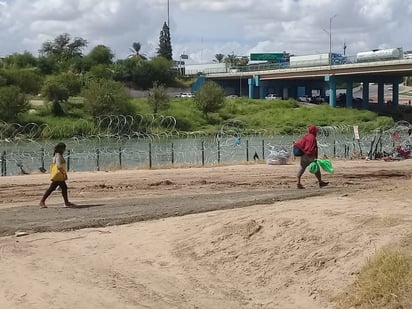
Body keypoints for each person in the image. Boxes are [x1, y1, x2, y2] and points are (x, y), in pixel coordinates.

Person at [39, 142, 74, 208]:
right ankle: (42, 201)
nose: (64, 150)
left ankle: (66, 202)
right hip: (59, 174)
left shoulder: (56, 155)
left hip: (59, 175)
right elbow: (59, 166)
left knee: (63, 188)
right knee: (52, 188)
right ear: (60, 149)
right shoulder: (58, 155)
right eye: (64, 148)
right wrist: (64, 173)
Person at [293, 125, 328, 189]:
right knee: (316, 169)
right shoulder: (313, 138)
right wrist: (315, 157)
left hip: (304, 155)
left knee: (302, 168)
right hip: (310, 155)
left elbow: (299, 143)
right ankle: (320, 182)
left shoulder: (306, 136)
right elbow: (314, 148)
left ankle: (298, 182)